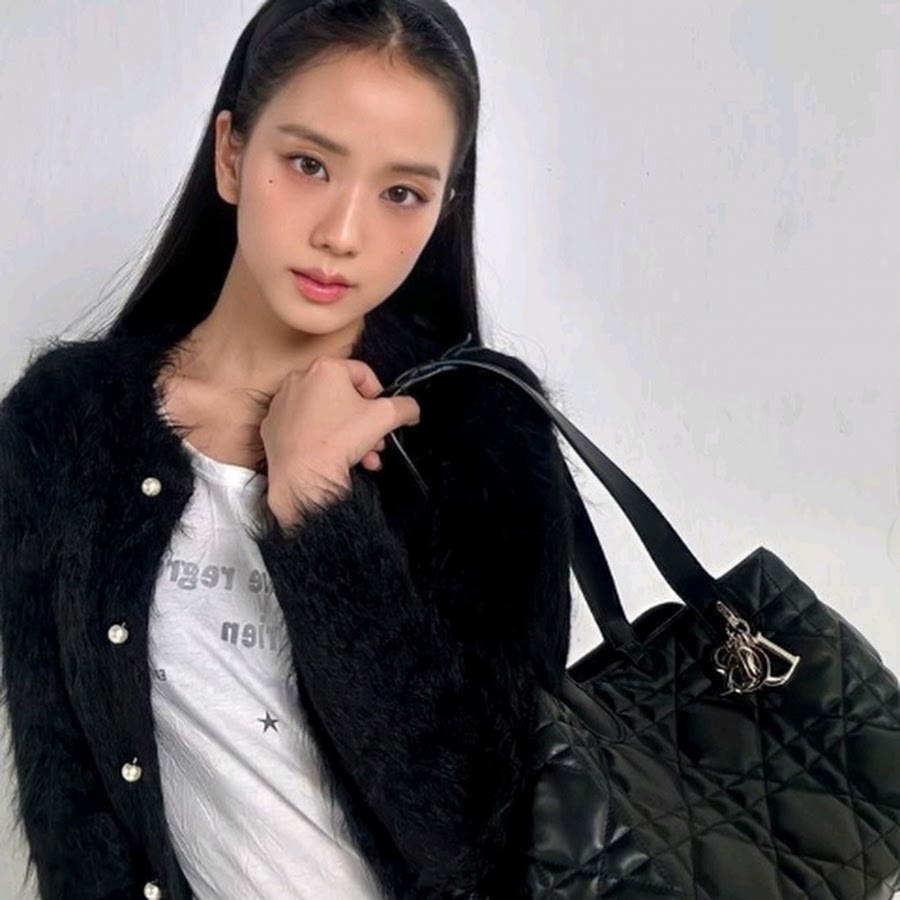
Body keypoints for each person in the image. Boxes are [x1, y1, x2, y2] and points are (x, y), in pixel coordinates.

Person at [0, 1, 574, 898]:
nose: (343, 232)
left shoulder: (479, 429)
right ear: (232, 154)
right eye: (308, 164)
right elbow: (65, 795)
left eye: (401, 193)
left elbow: (482, 838)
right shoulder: (63, 424)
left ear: (444, 206)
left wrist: (315, 502)